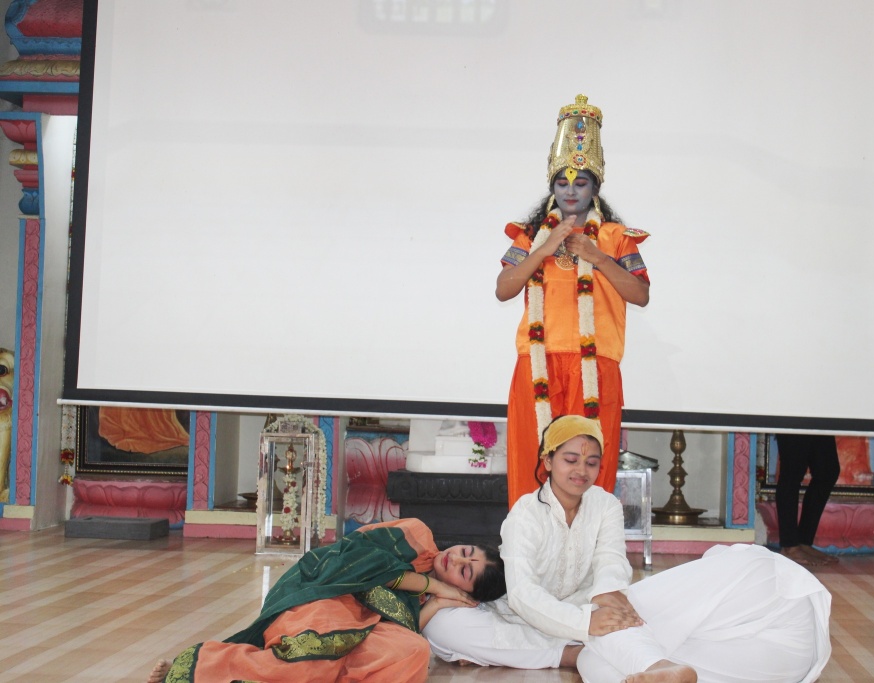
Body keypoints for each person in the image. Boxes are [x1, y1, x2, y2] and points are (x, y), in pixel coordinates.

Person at [425, 415, 832, 683]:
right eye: (570, 459)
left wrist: (606, 596)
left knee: (745, 566)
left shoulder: (605, 504)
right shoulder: (525, 515)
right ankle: (662, 667)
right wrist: (586, 623)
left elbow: (611, 560)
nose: (581, 470)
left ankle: (659, 667)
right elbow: (524, 595)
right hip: (561, 620)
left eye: (591, 462)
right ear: (547, 461)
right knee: (595, 661)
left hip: (608, 605)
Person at [498, 94, 651, 508]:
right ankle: (531, 543)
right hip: (538, 363)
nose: (570, 191)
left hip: (596, 365)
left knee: (588, 466)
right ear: (552, 186)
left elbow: (640, 295)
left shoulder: (616, 237)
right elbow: (504, 288)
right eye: (562, 183)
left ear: (595, 188)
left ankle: (588, 545)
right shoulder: (531, 235)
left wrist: (597, 257)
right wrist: (545, 249)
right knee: (533, 461)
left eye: (580, 183)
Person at [147, 518, 505, 683]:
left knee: (412, 650)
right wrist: (433, 584)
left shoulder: (429, 595)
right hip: (325, 593)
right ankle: (200, 667)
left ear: (466, 591)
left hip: (363, 626)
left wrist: (437, 602)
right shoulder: (418, 536)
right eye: (466, 552)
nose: (457, 560)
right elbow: (359, 560)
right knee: (315, 658)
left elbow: (402, 626)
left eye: (465, 572)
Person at [773, 433, 841, 566]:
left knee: (828, 471)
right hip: (793, 420)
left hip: (821, 420)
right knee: (792, 470)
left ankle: (804, 542)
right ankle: (789, 546)